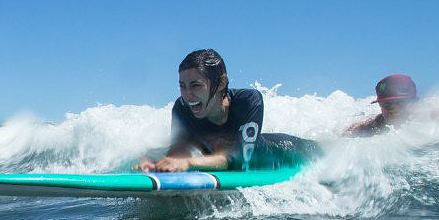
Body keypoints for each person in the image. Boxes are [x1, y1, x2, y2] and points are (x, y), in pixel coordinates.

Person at [135, 49, 317, 172]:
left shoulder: (248, 101)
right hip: (236, 154)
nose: (188, 95)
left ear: (221, 83)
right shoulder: (182, 107)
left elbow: (238, 160)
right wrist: (158, 165)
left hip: (286, 152)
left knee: (322, 150)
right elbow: (179, 148)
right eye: (182, 86)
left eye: (195, 85)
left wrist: (188, 163)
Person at [342, 73, 417, 137]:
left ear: (414, 102)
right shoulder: (373, 125)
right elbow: (345, 133)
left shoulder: (423, 118)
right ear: (380, 105)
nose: (393, 109)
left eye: (400, 103)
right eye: (387, 104)